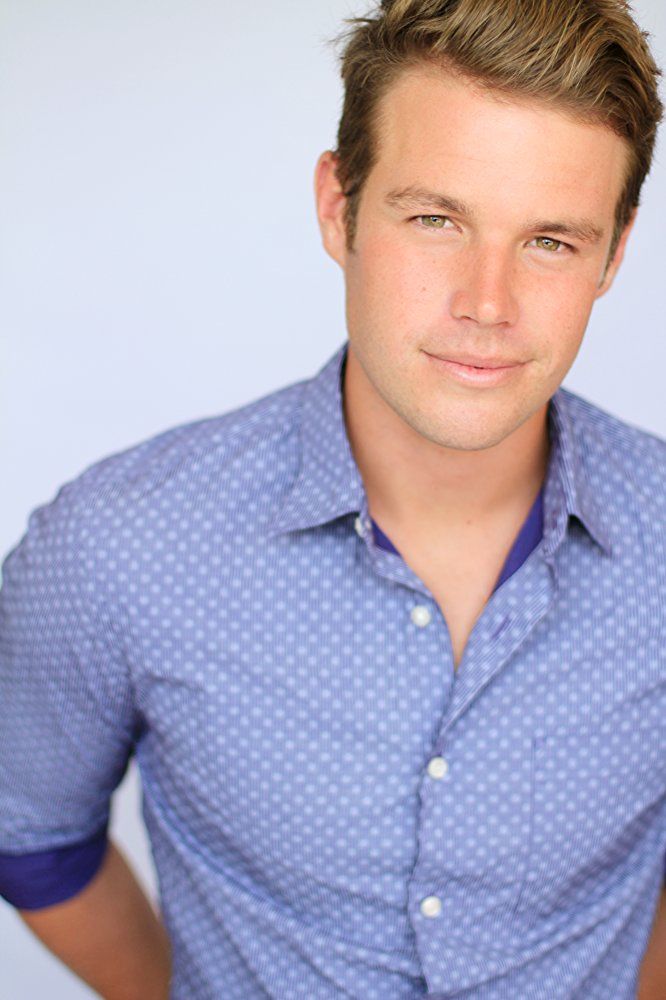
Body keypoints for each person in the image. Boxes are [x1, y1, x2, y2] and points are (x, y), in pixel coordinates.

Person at [1, 0, 664, 997]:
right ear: (337, 206)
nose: (487, 304)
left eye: (551, 242)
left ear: (613, 252)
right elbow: (29, 837)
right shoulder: (117, 543)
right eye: (435, 219)